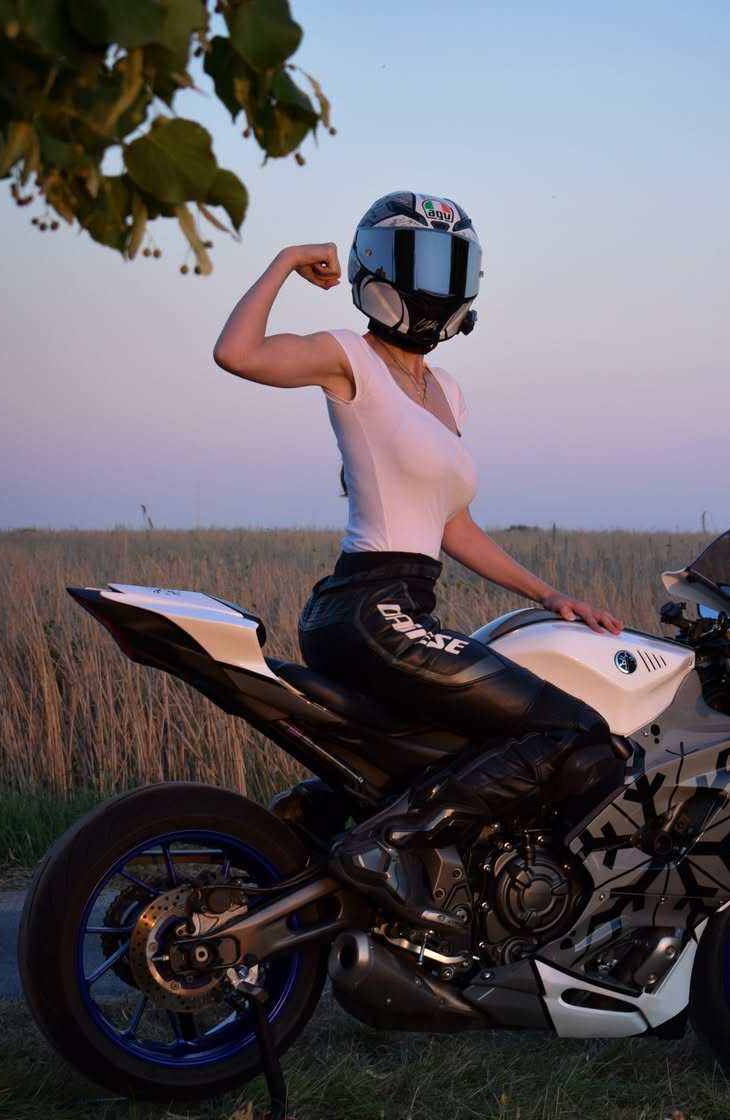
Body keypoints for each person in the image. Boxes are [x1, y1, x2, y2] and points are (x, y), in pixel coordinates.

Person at [213, 191, 625, 937]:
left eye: (449, 265)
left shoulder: (447, 393)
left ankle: (338, 835)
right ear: (377, 268)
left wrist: (551, 595)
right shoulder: (350, 358)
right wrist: (286, 261)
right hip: (371, 610)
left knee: (461, 748)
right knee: (577, 733)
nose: (435, 283)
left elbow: (453, 525)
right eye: (419, 262)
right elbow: (236, 354)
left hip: (395, 610)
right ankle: (388, 843)